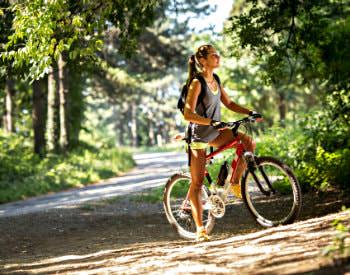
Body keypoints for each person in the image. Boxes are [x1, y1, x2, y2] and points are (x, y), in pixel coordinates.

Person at [183, 44, 259, 241]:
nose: (218, 57)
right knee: (198, 182)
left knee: (248, 142)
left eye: (218, 54)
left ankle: (235, 183)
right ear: (202, 61)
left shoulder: (215, 79)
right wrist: (210, 121)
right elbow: (187, 114)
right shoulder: (197, 83)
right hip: (199, 136)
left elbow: (230, 103)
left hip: (215, 131)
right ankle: (200, 229)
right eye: (214, 55)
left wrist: (249, 112)